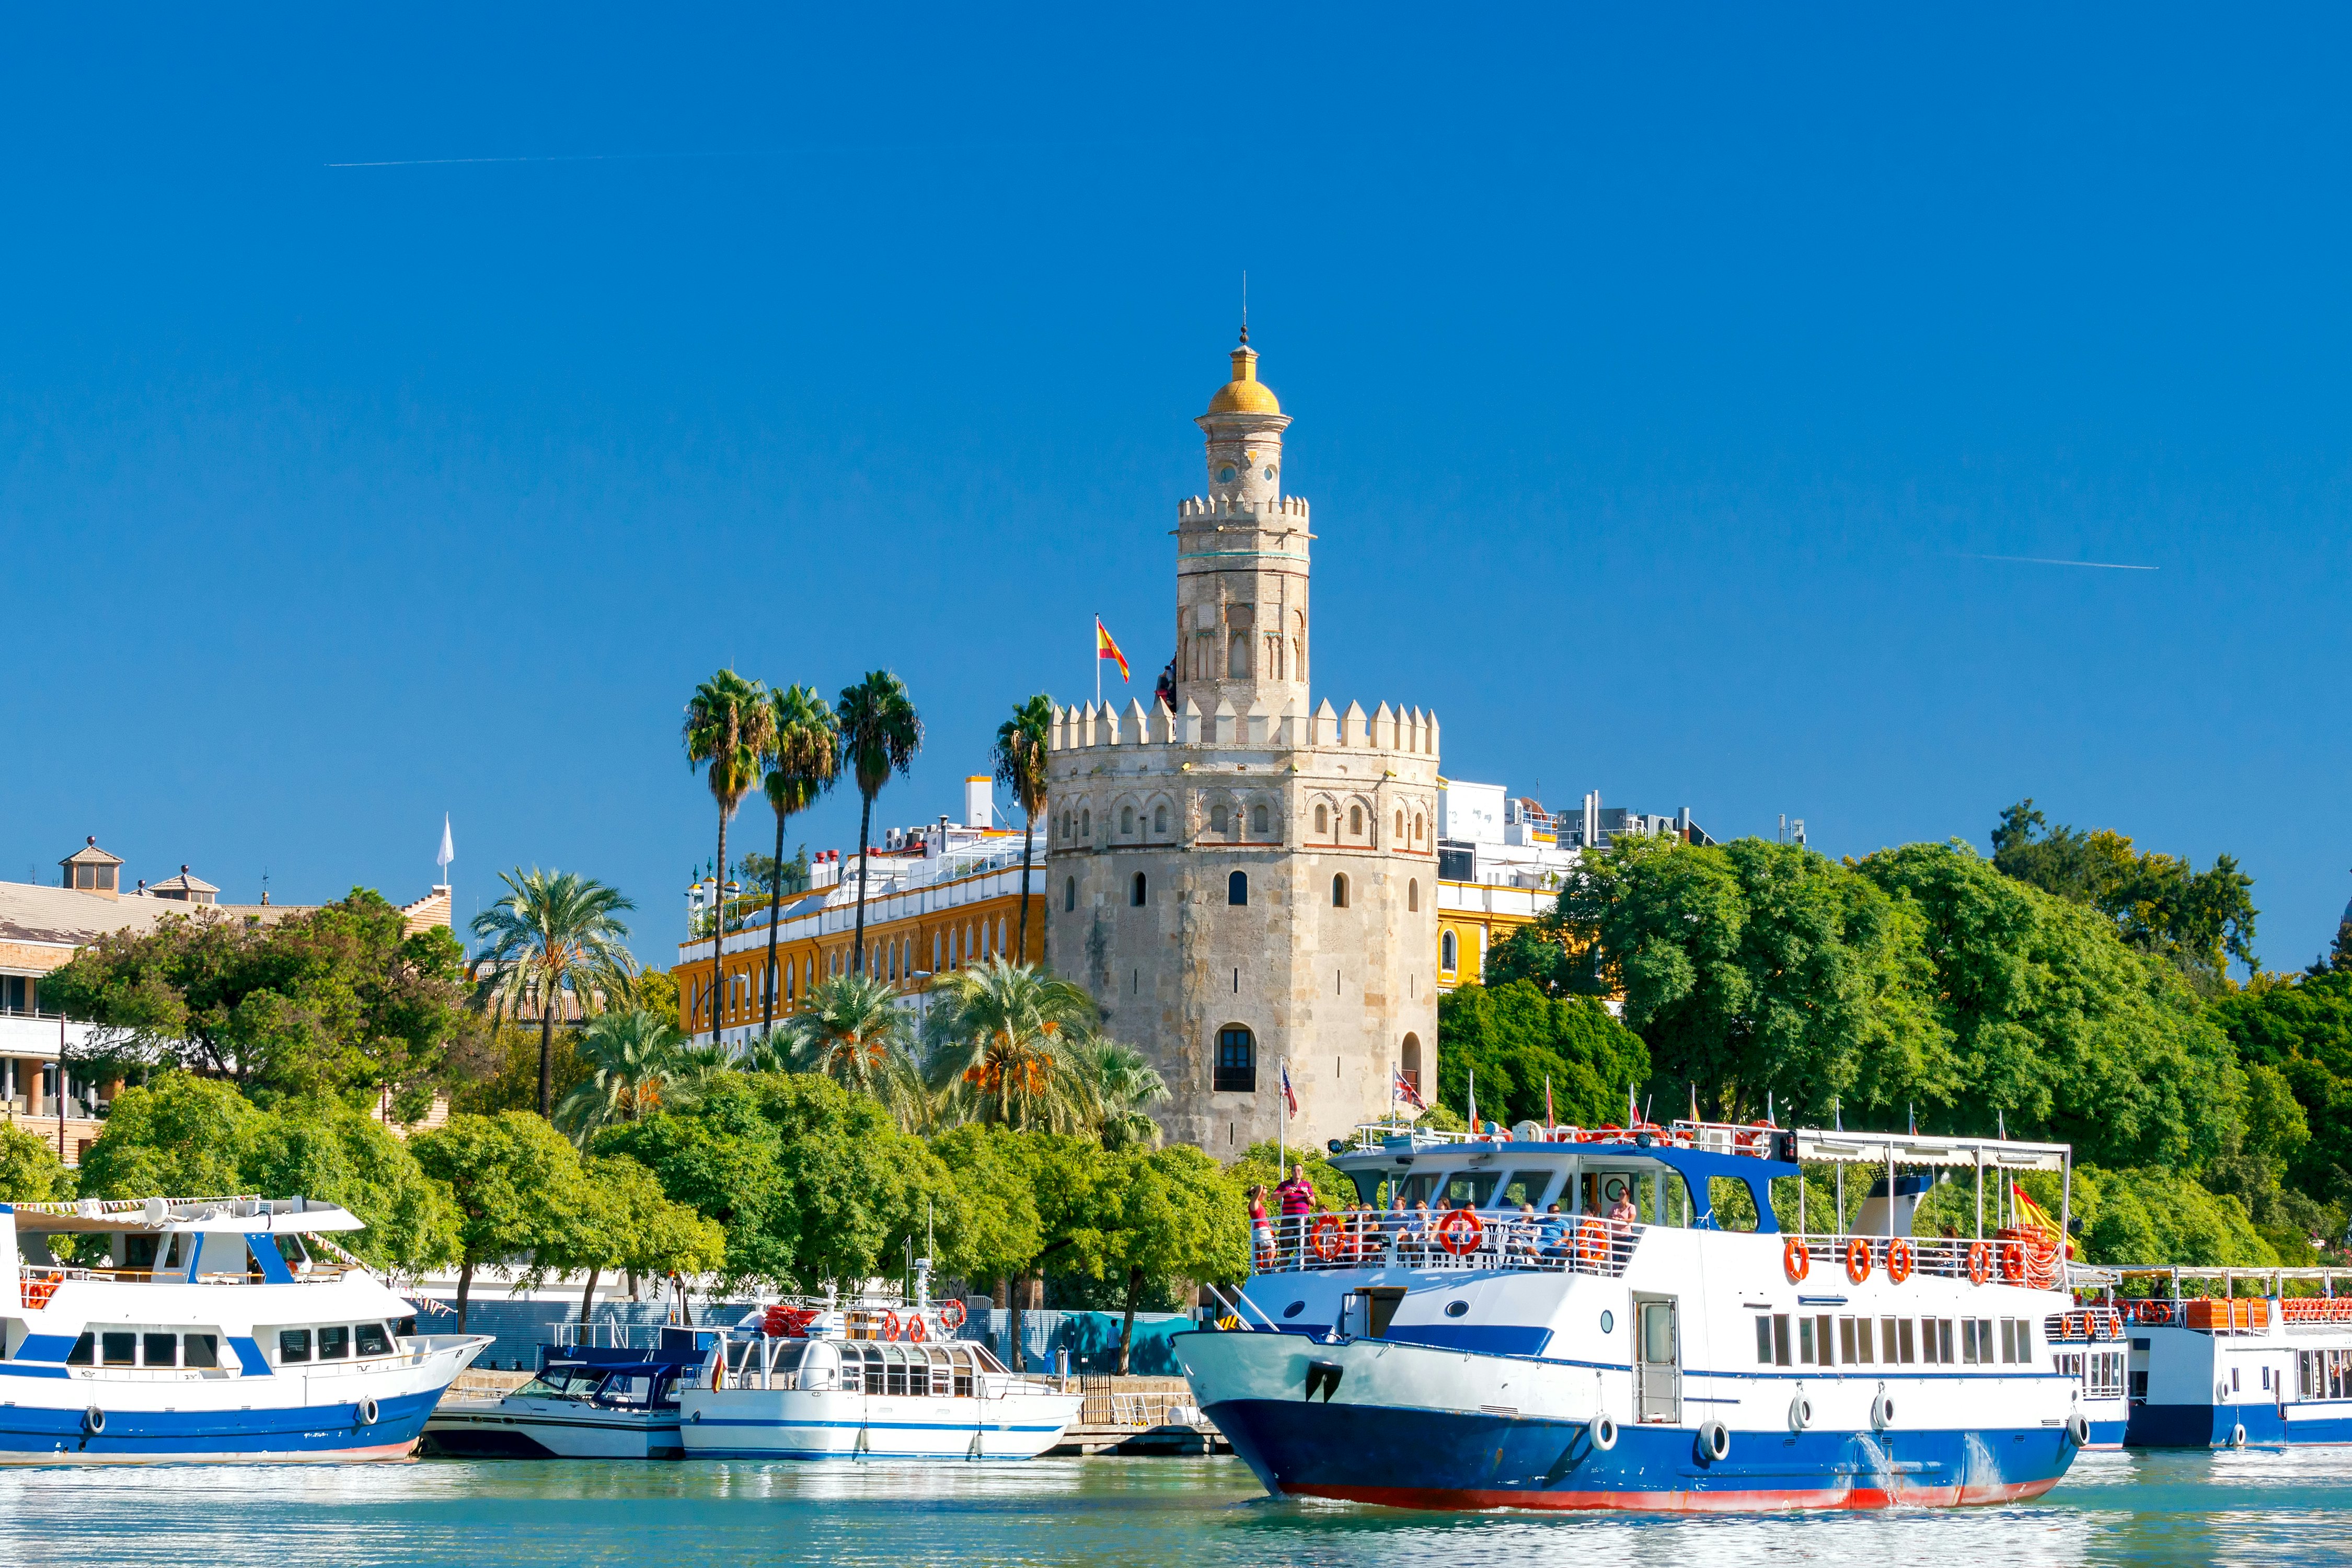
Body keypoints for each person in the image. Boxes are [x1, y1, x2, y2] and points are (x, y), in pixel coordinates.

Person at [1247, 1184, 1272, 1269]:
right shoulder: (1254, 1202)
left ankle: (1268, 1268)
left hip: (1264, 1229)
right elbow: (1261, 1186)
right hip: (1261, 1229)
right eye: (1264, 1194)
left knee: (1272, 1250)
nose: (1265, 1196)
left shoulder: (1259, 1204)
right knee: (1266, 1250)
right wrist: (1253, 1189)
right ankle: (1267, 1271)